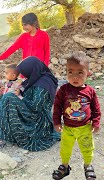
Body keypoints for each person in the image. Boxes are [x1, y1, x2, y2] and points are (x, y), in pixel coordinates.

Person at [0, 56, 59, 151]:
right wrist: (19, 93)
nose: (24, 76)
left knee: (8, 98)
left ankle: (2, 137)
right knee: (8, 97)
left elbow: (36, 107)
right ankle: (4, 130)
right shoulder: (35, 77)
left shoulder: (43, 84)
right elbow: (26, 91)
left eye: (25, 73)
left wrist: (20, 98)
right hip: (30, 109)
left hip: (38, 119)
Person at [52, 52, 101, 180]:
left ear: (88, 73)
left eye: (80, 72)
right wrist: (56, 122)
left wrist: (96, 122)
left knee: (87, 148)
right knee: (65, 148)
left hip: (85, 128)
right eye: (70, 72)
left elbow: (96, 108)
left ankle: (88, 165)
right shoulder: (63, 90)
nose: (75, 77)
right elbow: (57, 107)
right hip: (67, 128)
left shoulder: (90, 91)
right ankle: (65, 166)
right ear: (66, 72)